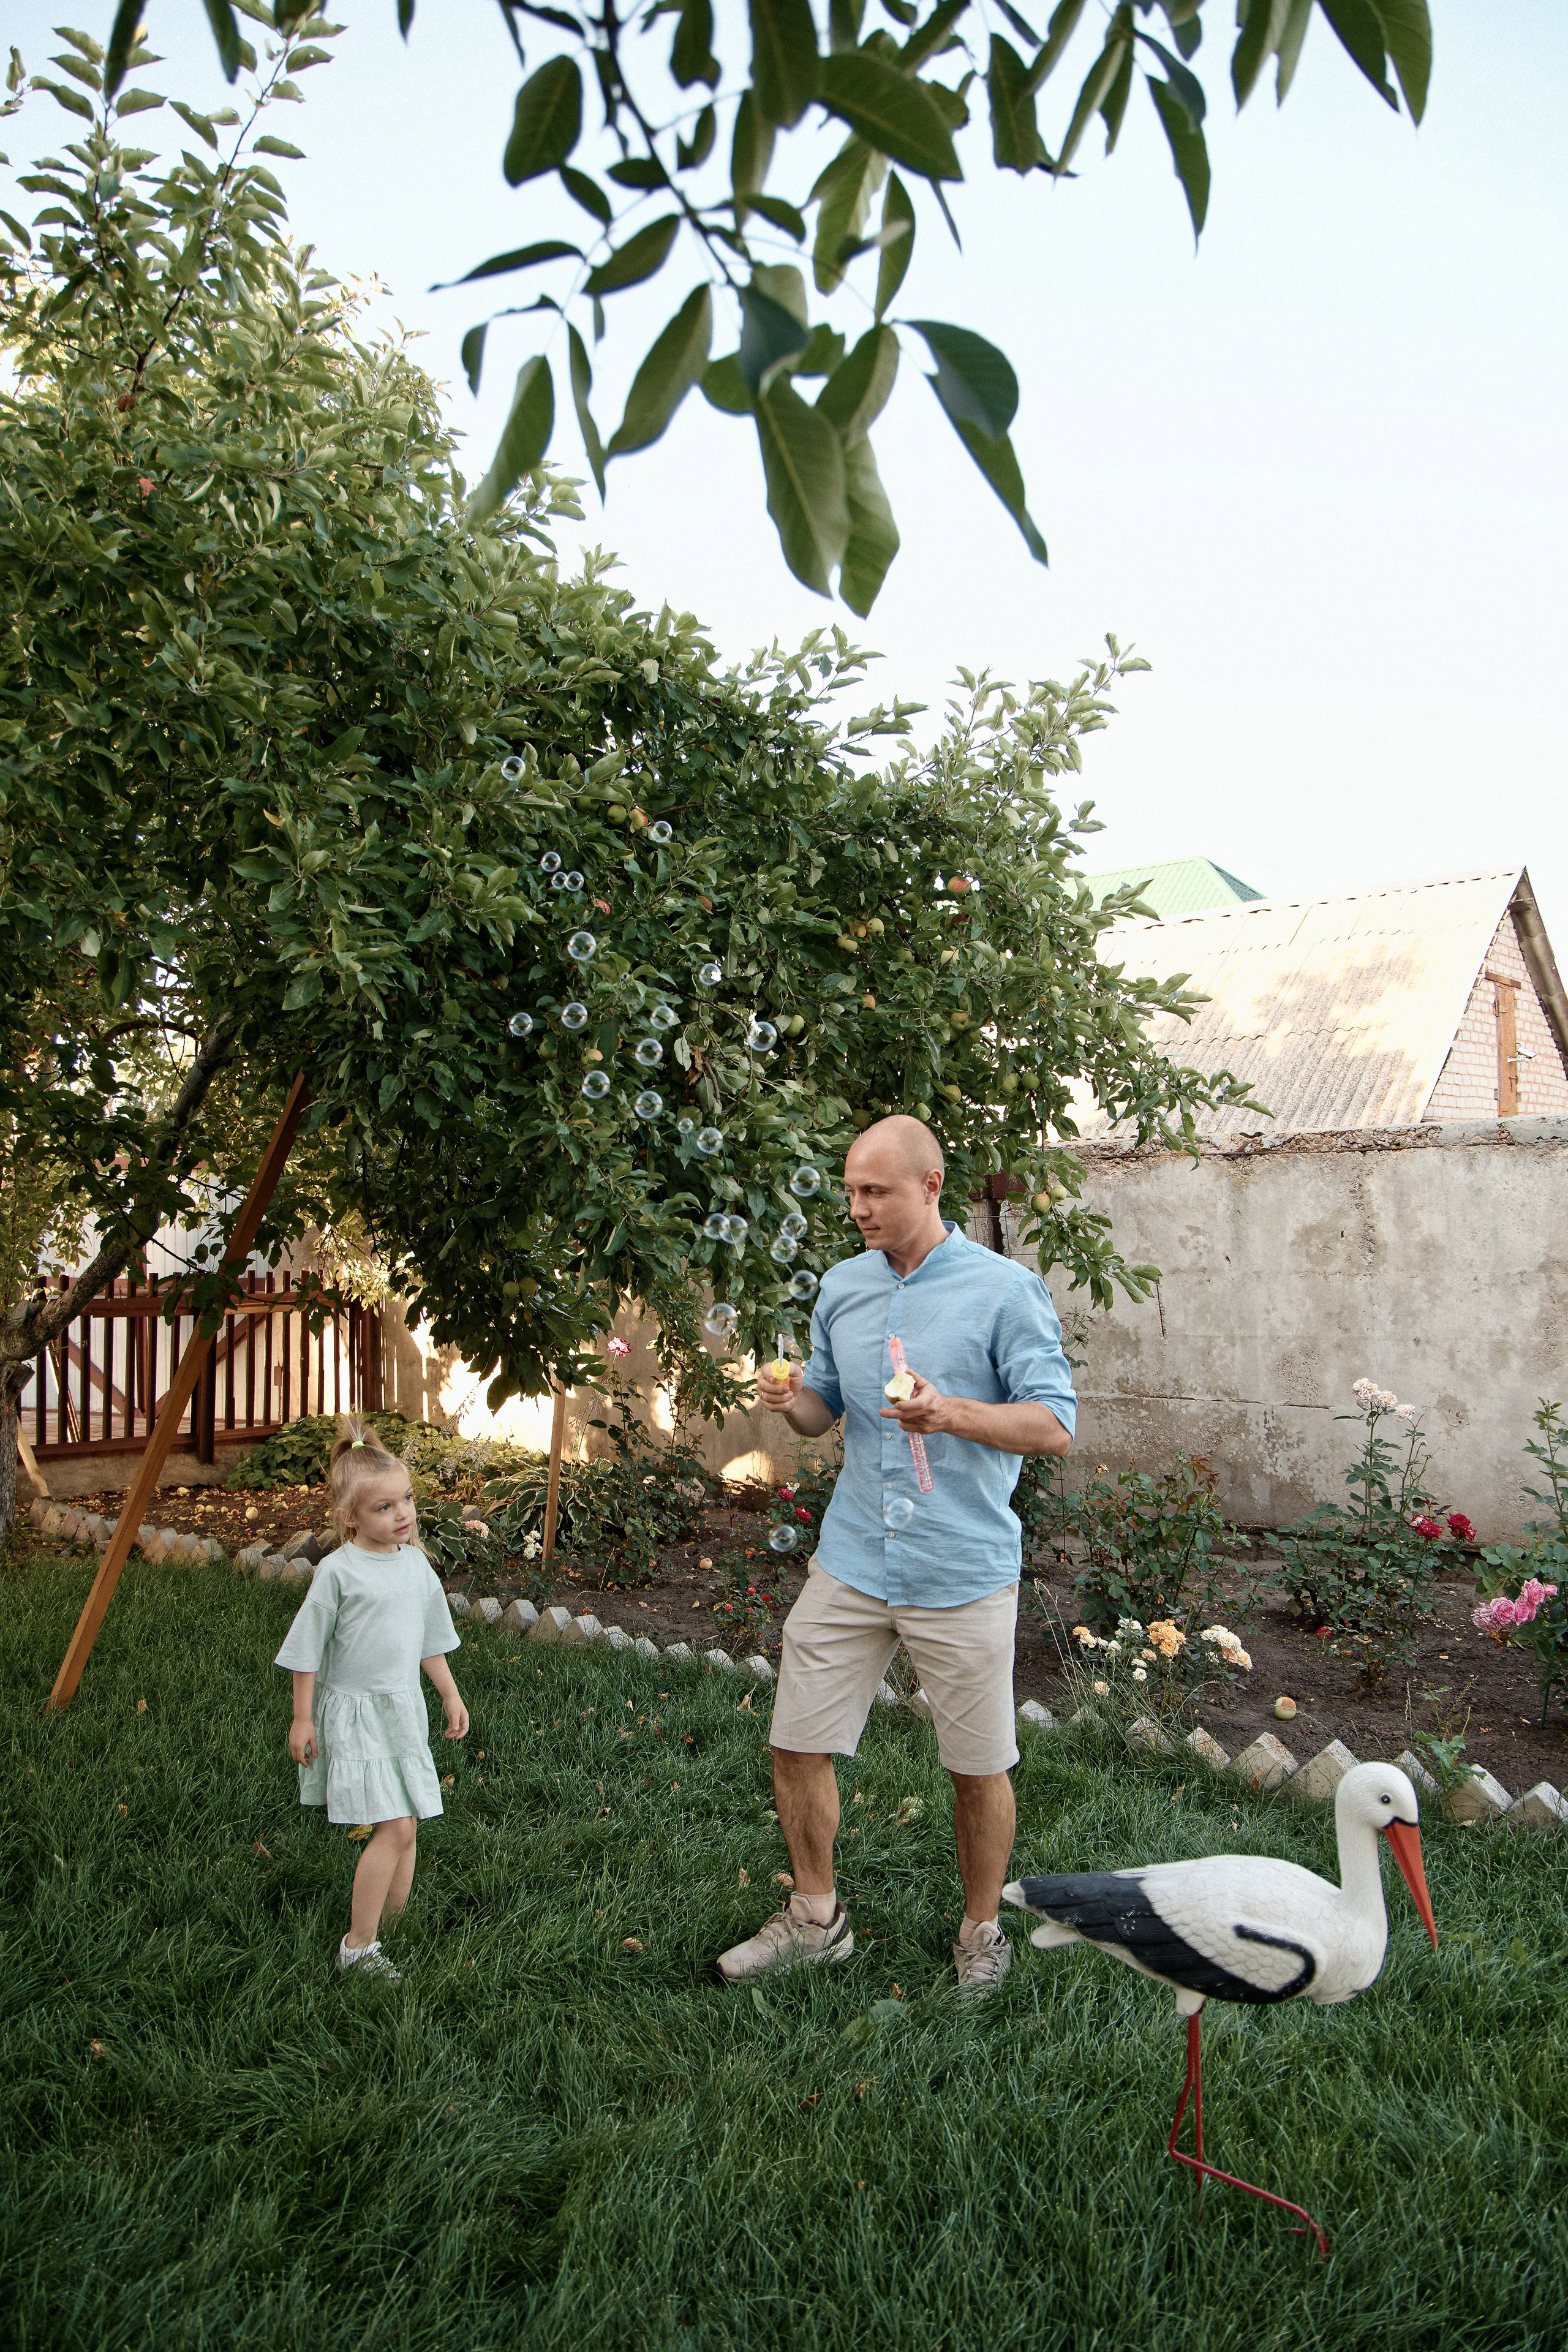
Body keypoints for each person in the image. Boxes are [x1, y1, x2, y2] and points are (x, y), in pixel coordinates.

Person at [718, 1116, 1075, 1996]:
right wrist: (789, 1398)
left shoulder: (1004, 1291)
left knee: (976, 1766)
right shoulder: (842, 1288)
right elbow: (822, 1414)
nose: (857, 1209)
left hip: (960, 1565)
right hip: (854, 1558)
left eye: (875, 1191)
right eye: (849, 1191)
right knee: (796, 1740)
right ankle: (815, 1920)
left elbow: (1055, 1426)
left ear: (931, 1184)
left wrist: (952, 1412)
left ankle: (981, 1931)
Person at [275, 1417, 469, 1981]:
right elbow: (307, 1651)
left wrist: (450, 1696)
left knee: (408, 1821)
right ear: (350, 1516)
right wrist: (302, 1718)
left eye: (406, 1499)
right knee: (397, 1827)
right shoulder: (338, 1574)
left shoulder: (416, 1567)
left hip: (402, 1708)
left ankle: (395, 1925)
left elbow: (430, 1641)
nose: (403, 1513)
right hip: (356, 1713)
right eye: (384, 1507)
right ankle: (358, 1947)